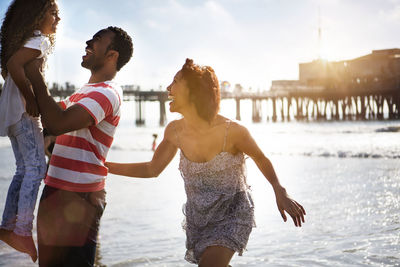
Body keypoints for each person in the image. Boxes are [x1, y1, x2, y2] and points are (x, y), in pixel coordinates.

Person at [105, 58, 306, 266]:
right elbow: (151, 168)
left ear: (193, 91)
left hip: (233, 214)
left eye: (175, 82)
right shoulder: (174, 131)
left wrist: (279, 190)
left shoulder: (232, 131)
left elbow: (260, 158)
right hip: (199, 219)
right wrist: (105, 166)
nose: (168, 88)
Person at [24, 26, 133, 266]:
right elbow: (49, 122)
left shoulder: (107, 92)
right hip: (56, 190)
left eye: (97, 40)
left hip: (79, 196)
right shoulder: (81, 94)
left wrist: (35, 75)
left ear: (112, 55)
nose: (88, 42)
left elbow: (58, 122)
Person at [0, 0, 60, 262]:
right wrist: (32, 98)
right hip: (24, 113)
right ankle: (22, 230)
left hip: (11, 113)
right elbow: (14, 66)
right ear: (36, 17)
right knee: (36, 169)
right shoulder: (40, 41)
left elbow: (9, 70)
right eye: (52, 13)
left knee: (23, 169)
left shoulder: (24, 40)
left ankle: (7, 226)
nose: (57, 19)